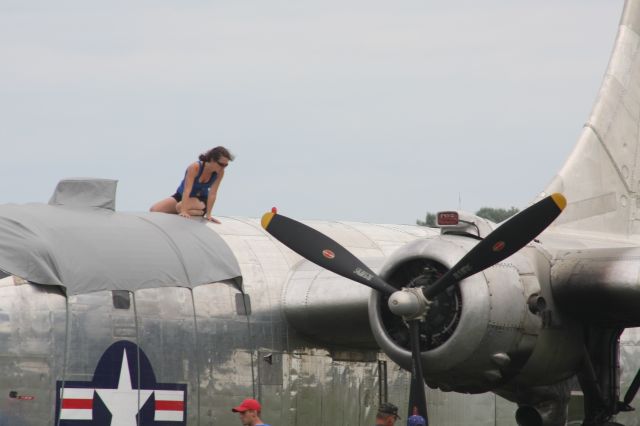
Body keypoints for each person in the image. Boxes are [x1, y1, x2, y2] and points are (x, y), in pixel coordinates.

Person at [150, 146, 233, 222]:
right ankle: (192, 211)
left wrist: (209, 214)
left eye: (226, 165)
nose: (223, 167)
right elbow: (187, 190)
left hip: (200, 200)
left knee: (180, 207)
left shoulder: (220, 173)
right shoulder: (195, 167)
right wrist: (183, 211)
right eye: (221, 164)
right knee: (154, 210)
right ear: (212, 159)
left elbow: (213, 193)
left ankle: (201, 211)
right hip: (182, 195)